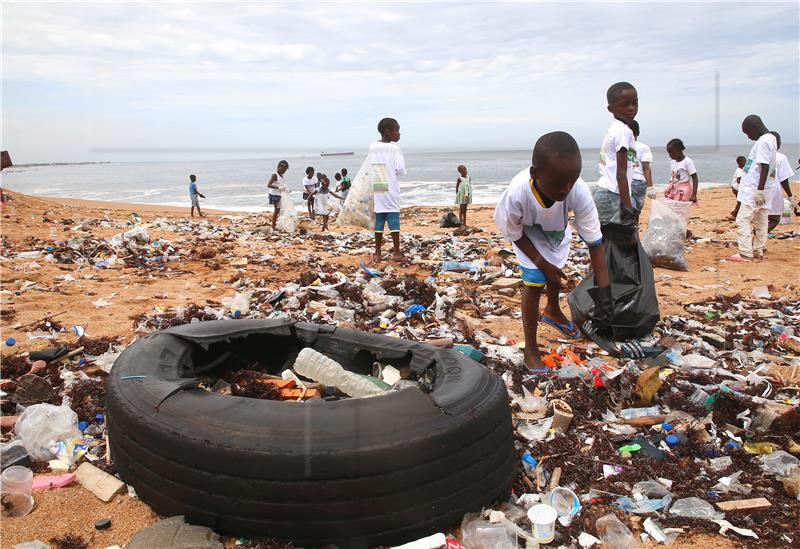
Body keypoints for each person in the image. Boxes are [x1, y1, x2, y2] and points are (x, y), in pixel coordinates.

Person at [494, 131, 612, 371]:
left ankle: (553, 311)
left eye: (573, 180)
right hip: (525, 233)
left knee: (556, 271)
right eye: (559, 184)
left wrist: (605, 293)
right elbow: (514, 233)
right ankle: (531, 348)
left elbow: (595, 243)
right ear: (535, 174)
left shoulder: (576, 190)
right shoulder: (518, 195)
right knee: (536, 279)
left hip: (555, 229)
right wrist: (541, 263)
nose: (565, 189)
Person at [727, 115, 777, 262]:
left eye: (748, 132)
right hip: (765, 188)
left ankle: (745, 253)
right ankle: (758, 251)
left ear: (755, 126)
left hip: (755, 190)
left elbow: (764, 166)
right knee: (761, 220)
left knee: (742, 219)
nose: (748, 137)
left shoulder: (763, 142)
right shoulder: (771, 139)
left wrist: (759, 190)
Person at [594, 82, 639, 226]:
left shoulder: (615, 128)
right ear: (611, 109)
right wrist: (627, 208)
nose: (632, 108)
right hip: (613, 194)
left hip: (605, 190)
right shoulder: (623, 131)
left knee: (606, 240)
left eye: (635, 103)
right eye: (625, 105)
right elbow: (621, 173)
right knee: (618, 240)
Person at [369, 117, 406, 261]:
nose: (399, 134)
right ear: (388, 132)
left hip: (378, 183)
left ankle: (377, 253)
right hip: (390, 186)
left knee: (379, 219)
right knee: (393, 218)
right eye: (397, 130)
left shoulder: (373, 146)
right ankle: (397, 252)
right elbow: (400, 169)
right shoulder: (394, 148)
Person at [767, 131, 797, 233]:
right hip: (772, 192)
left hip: (756, 191)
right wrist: (790, 196)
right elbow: (784, 179)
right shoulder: (780, 157)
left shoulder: (757, 155)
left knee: (760, 219)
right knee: (774, 219)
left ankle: (756, 243)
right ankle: (756, 240)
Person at [628, 121, 654, 214]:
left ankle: (631, 226)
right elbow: (646, 168)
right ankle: (635, 226)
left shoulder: (621, 147)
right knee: (637, 210)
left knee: (627, 209)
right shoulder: (644, 147)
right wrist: (650, 187)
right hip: (640, 182)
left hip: (626, 181)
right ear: (638, 133)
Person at [267, 160, 289, 230]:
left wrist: (285, 190)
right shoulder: (275, 175)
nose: (284, 171)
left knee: (278, 210)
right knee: (277, 210)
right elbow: (269, 185)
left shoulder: (281, 175)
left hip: (279, 195)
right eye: (283, 169)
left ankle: (276, 224)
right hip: (274, 195)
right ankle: (273, 226)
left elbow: (280, 184)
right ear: (279, 167)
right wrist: (278, 187)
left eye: (285, 170)